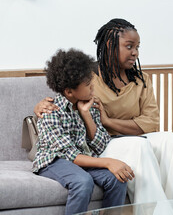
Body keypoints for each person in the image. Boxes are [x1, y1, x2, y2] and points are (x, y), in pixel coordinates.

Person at [34, 19, 173, 206]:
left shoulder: (141, 80)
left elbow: (151, 123)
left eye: (137, 47)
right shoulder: (89, 77)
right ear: (110, 45)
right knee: (139, 146)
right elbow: (64, 98)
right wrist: (39, 106)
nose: (135, 52)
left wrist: (107, 120)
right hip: (108, 145)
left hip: (122, 138)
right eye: (129, 46)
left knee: (171, 139)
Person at [33, 49, 130, 215]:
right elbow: (69, 155)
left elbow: (101, 145)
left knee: (117, 180)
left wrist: (86, 115)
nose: (93, 87)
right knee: (82, 181)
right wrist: (108, 162)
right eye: (87, 85)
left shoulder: (89, 106)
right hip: (54, 161)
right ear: (70, 91)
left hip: (81, 159)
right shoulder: (51, 112)